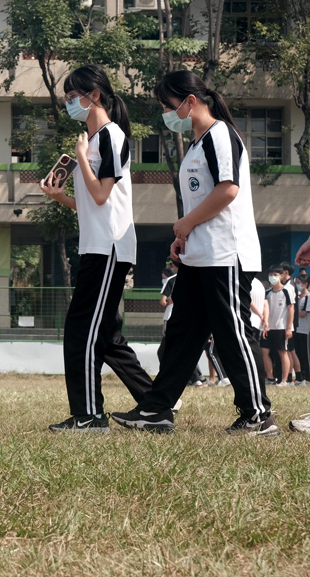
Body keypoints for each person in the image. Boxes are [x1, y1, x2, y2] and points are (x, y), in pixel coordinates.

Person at [112, 71, 275, 436]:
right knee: (182, 334)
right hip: (198, 256)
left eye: (167, 106)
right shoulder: (197, 144)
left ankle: (258, 415)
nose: (166, 113)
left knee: (232, 333)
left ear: (190, 101)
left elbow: (228, 191)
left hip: (225, 254)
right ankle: (157, 409)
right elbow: (201, 200)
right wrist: (184, 235)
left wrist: (185, 224)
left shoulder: (220, 135)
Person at [39, 65, 153, 433]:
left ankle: (89, 415)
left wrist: (82, 157)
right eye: (67, 98)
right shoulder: (94, 140)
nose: (70, 103)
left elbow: (102, 194)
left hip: (110, 248)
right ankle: (156, 403)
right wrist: (60, 197)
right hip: (96, 246)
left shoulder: (110, 136)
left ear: (95, 95)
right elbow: (92, 204)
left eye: (74, 97)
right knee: (103, 335)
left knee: (82, 331)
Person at [261, 265, 294, 386]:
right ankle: (270, 378)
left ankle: (285, 380)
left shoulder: (286, 290)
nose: (272, 277)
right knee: (264, 351)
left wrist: (289, 328)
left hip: (282, 327)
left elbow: (291, 309)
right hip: (269, 327)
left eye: (275, 275)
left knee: (283, 352)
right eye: (270, 275)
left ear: (281, 276)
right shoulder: (267, 292)